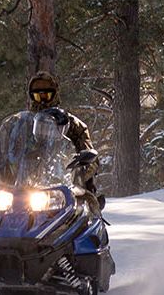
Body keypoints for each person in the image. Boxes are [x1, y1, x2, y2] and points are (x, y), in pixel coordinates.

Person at [27, 71, 105, 212]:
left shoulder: (73, 125)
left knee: (88, 212)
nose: (43, 101)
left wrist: (76, 169)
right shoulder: (20, 124)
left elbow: (92, 159)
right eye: (38, 96)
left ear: (55, 95)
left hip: (64, 189)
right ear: (31, 97)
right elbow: (2, 149)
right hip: (23, 188)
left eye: (47, 95)